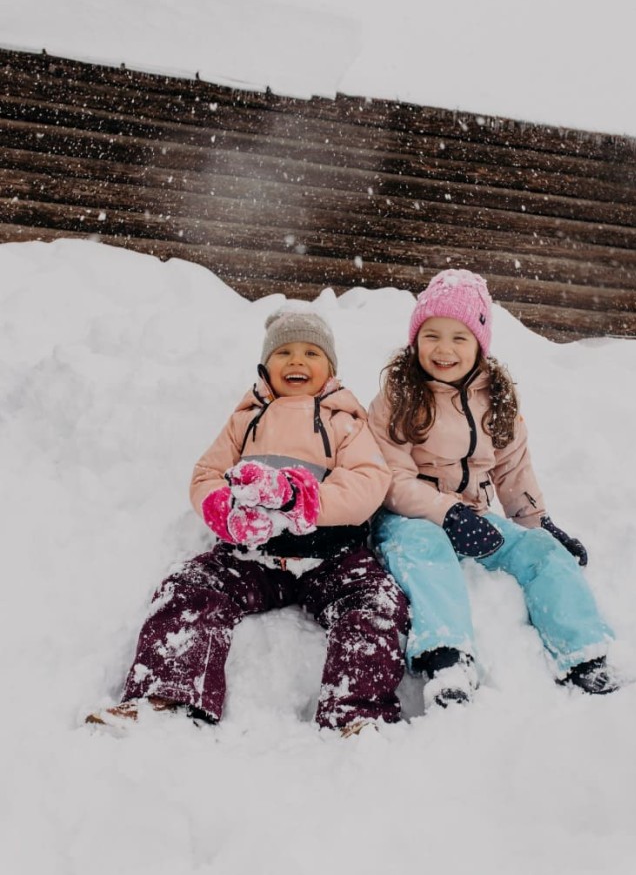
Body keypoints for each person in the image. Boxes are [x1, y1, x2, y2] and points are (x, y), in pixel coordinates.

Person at [87, 307, 409, 736]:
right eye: (285, 352)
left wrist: (304, 501)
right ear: (265, 367)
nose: (297, 361)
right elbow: (206, 474)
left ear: (330, 370)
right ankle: (168, 693)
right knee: (189, 587)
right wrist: (222, 510)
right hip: (251, 553)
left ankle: (357, 712)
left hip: (332, 556)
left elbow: (369, 481)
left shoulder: (344, 420)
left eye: (311, 353)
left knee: (376, 605)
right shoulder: (246, 419)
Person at [367, 269, 618, 711]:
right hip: (411, 519)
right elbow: (391, 477)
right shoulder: (398, 397)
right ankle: (446, 659)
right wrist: (445, 513)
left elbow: (512, 470)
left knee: (542, 554)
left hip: (476, 521)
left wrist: (540, 524)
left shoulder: (497, 398)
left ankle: (584, 656)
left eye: (459, 338)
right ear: (415, 340)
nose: (444, 350)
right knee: (424, 548)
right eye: (432, 336)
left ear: (480, 344)